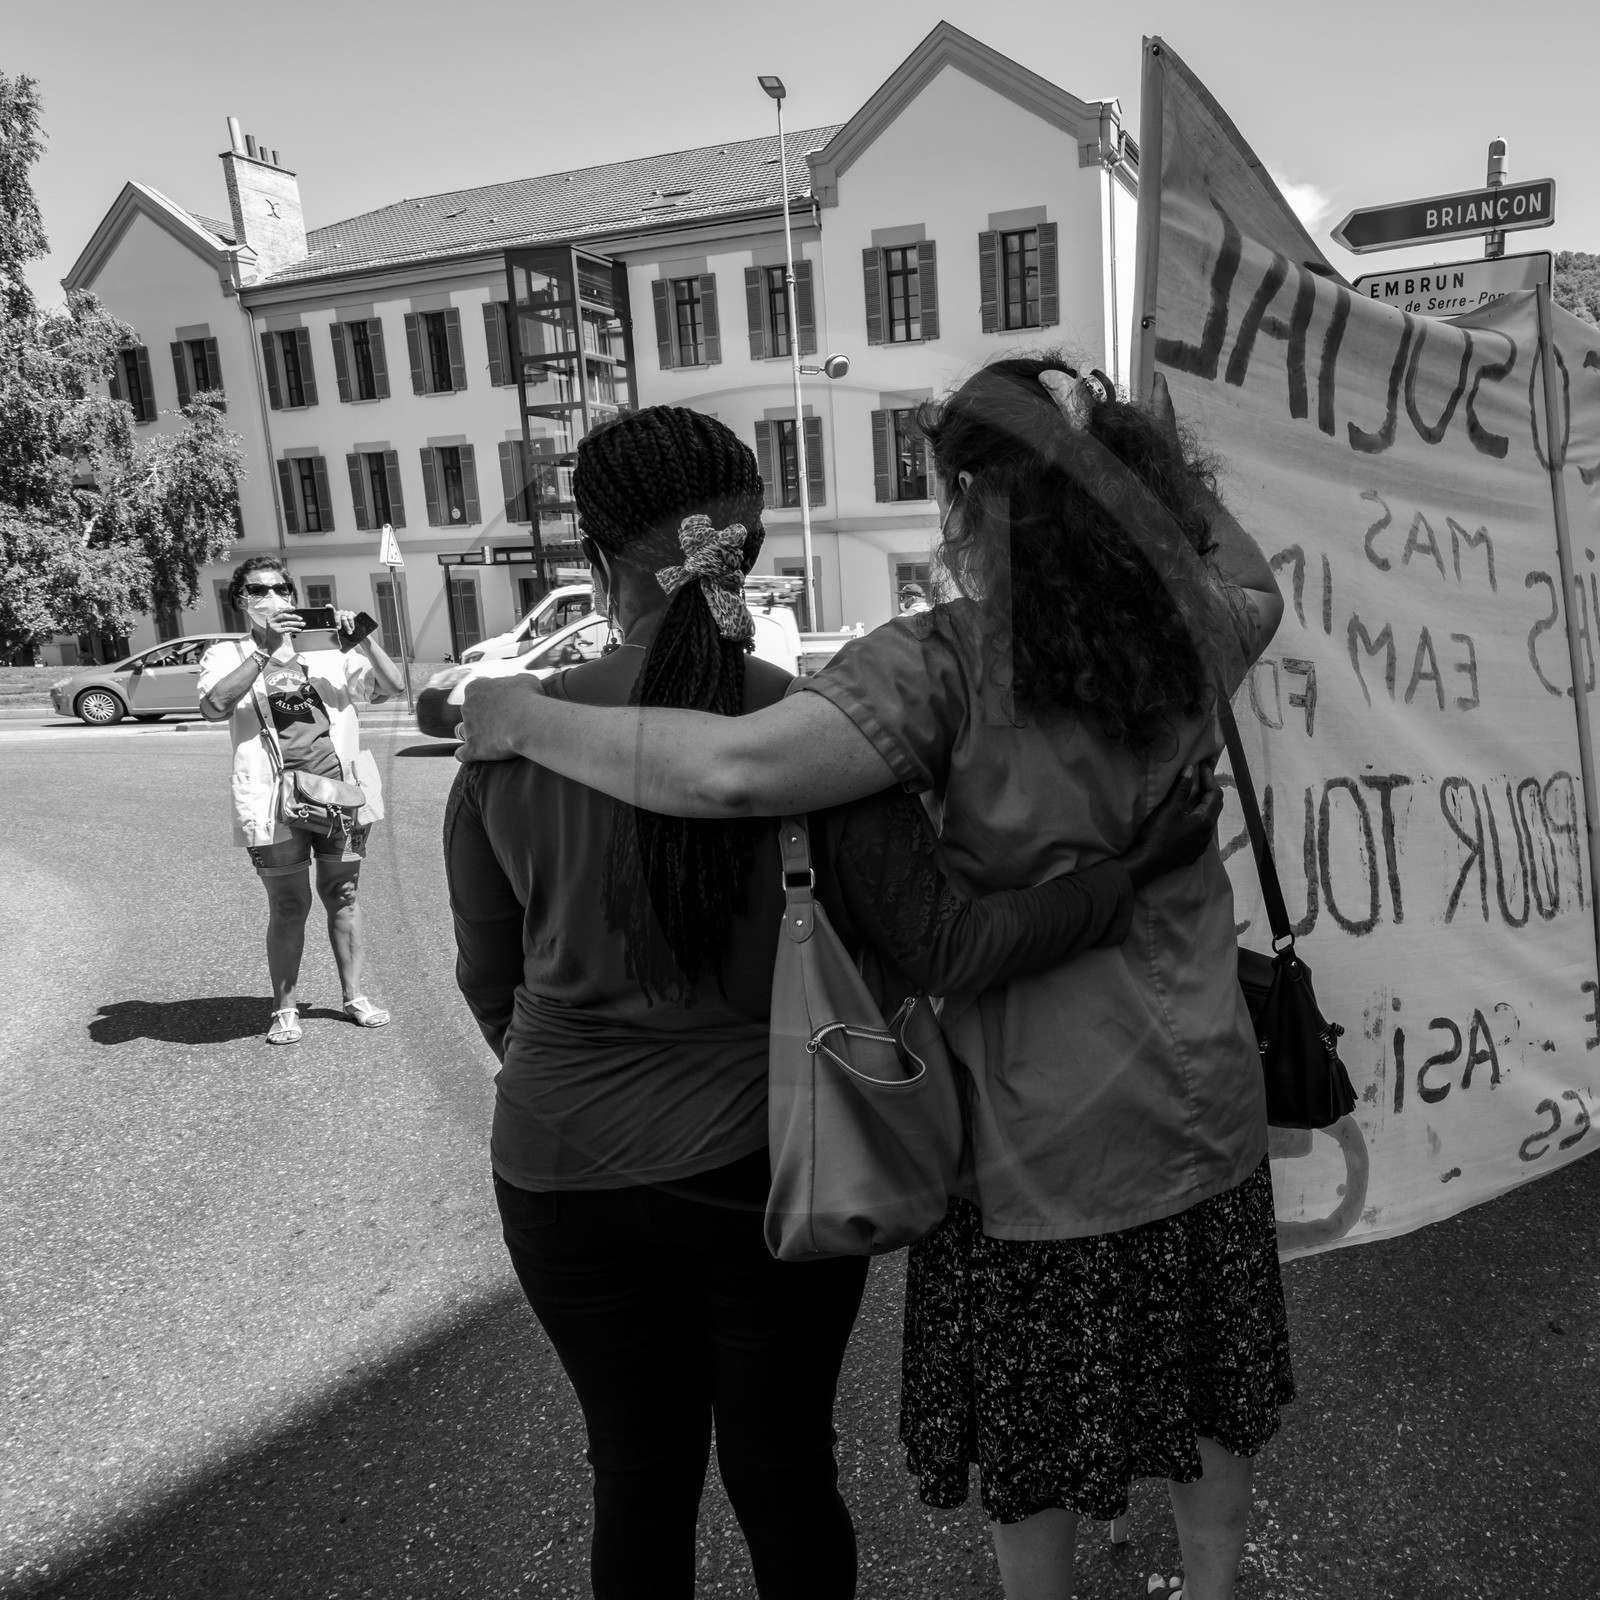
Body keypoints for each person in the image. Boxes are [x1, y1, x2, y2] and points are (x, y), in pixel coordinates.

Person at [456, 363, 1291, 1600]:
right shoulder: (1199, 629)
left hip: (960, 1134)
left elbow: (688, 813)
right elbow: (1254, 578)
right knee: (1164, 1386)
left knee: (673, 1465)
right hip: (1117, 1107)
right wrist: (1118, 448)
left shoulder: (930, 667)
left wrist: (518, 716)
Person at [198, 557, 406, 1044]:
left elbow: (392, 688)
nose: (271, 598)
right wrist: (265, 653)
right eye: (257, 591)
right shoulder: (226, 654)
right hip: (274, 799)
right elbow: (213, 707)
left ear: (292, 597)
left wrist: (365, 641)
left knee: (344, 896)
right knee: (289, 904)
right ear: (240, 601)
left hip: (340, 795)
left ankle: (354, 995)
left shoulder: (327, 652)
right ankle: (285, 1008)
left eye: (279, 589)